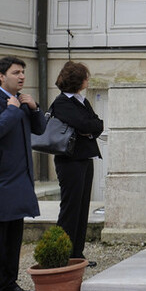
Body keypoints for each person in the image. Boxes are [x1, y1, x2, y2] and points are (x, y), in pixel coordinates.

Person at [0, 56, 46, 291]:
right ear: (1, 76)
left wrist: (34, 108)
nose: (22, 76)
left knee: (13, 235)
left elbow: (40, 130)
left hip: (18, 177)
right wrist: (12, 109)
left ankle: (9, 283)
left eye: (23, 72)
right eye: (16, 72)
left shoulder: (21, 101)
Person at [49, 61, 104, 267]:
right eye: (86, 77)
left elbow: (97, 124)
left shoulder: (81, 101)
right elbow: (84, 124)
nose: (88, 80)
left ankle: (77, 253)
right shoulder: (63, 102)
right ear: (78, 80)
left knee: (82, 208)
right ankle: (62, 254)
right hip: (69, 160)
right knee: (70, 208)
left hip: (84, 157)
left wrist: (89, 128)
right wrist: (88, 127)